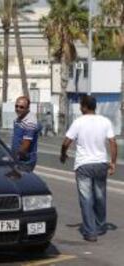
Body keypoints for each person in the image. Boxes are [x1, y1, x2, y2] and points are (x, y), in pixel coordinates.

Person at [60, 95, 117, 242]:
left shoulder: (78, 122)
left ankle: (91, 232)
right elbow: (113, 142)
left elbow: (66, 142)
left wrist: (63, 155)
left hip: (84, 165)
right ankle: (100, 226)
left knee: (86, 198)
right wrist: (113, 162)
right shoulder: (105, 121)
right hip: (100, 164)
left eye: (81, 105)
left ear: (85, 107)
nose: (79, 107)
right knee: (100, 196)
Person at [11, 96, 41, 172]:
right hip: (17, 158)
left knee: (19, 182)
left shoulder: (30, 122)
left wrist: (15, 158)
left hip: (24, 161)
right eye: (16, 106)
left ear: (27, 108)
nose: (18, 109)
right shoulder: (19, 119)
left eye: (21, 107)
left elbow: (25, 146)